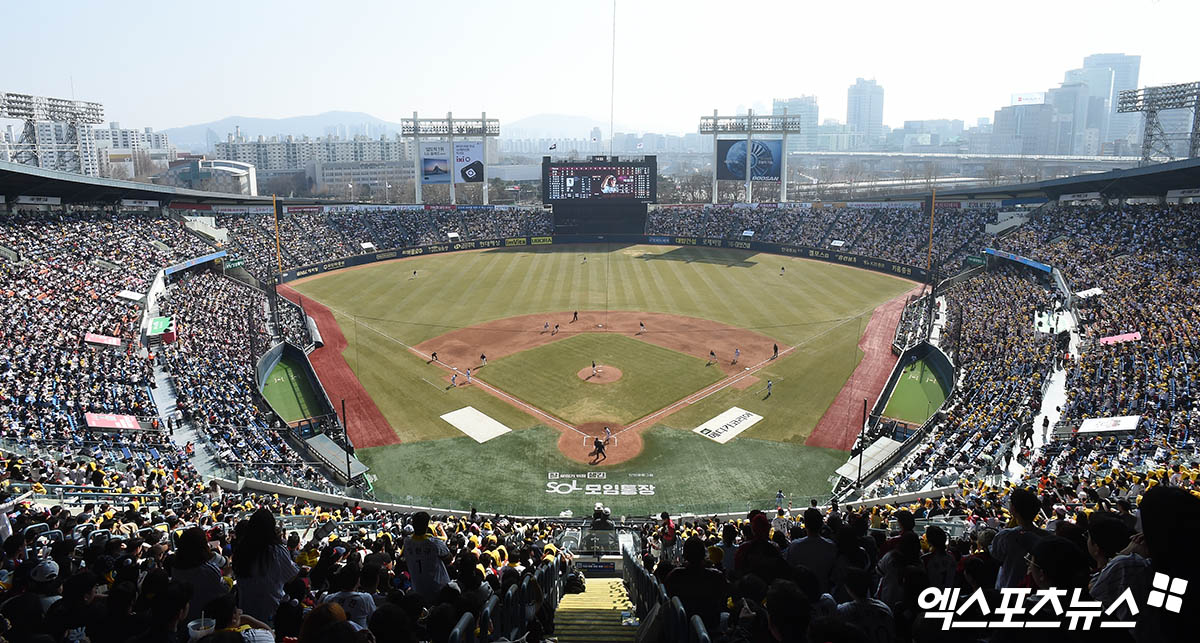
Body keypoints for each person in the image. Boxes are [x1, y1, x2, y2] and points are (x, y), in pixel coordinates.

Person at [665, 536, 730, 633]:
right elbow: (724, 597)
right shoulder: (716, 576)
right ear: (703, 554)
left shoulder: (675, 575)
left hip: (682, 628)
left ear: (685, 555)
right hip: (711, 625)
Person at [990, 486, 1048, 588]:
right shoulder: (1047, 536)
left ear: (1013, 509)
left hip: (1009, 589)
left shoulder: (1006, 536)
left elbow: (996, 556)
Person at [169, 527, 230, 619]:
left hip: (185, 618)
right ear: (203, 546)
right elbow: (224, 590)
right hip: (208, 619)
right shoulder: (209, 570)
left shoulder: (175, 568)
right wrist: (227, 575)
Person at [401, 512, 452, 603]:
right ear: (426, 526)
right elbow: (449, 558)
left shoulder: (407, 542)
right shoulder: (434, 543)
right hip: (438, 589)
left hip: (418, 588)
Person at [786, 509, 838, 593]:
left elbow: (789, 572)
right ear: (821, 524)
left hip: (801, 595)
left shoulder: (794, 546)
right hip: (824, 592)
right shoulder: (831, 546)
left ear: (805, 525)